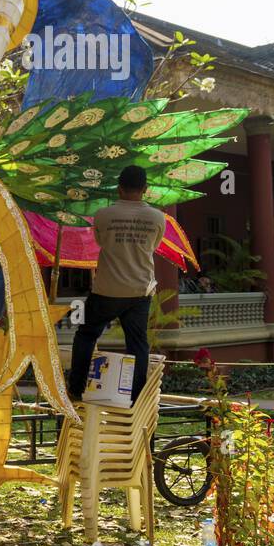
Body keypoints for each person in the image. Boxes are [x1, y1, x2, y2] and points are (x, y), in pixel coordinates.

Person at [67, 165, 167, 403]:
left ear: (119, 189)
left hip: (106, 289)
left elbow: (102, 242)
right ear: (145, 189)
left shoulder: (103, 214)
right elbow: (152, 246)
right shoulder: (157, 217)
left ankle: (76, 388)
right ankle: (137, 396)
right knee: (137, 343)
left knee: (86, 335)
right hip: (140, 290)